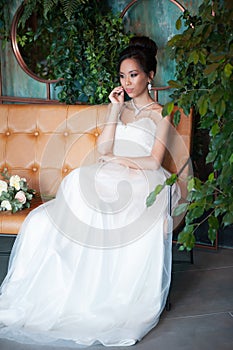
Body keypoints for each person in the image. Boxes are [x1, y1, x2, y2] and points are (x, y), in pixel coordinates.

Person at [0, 36, 180, 347]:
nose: (127, 82)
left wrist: (116, 160)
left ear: (150, 75)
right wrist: (113, 110)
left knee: (106, 202)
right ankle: (67, 289)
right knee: (64, 201)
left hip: (143, 180)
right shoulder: (121, 110)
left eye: (134, 75)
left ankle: (100, 297)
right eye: (123, 76)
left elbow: (153, 161)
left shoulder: (161, 113)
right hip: (110, 171)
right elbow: (103, 149)